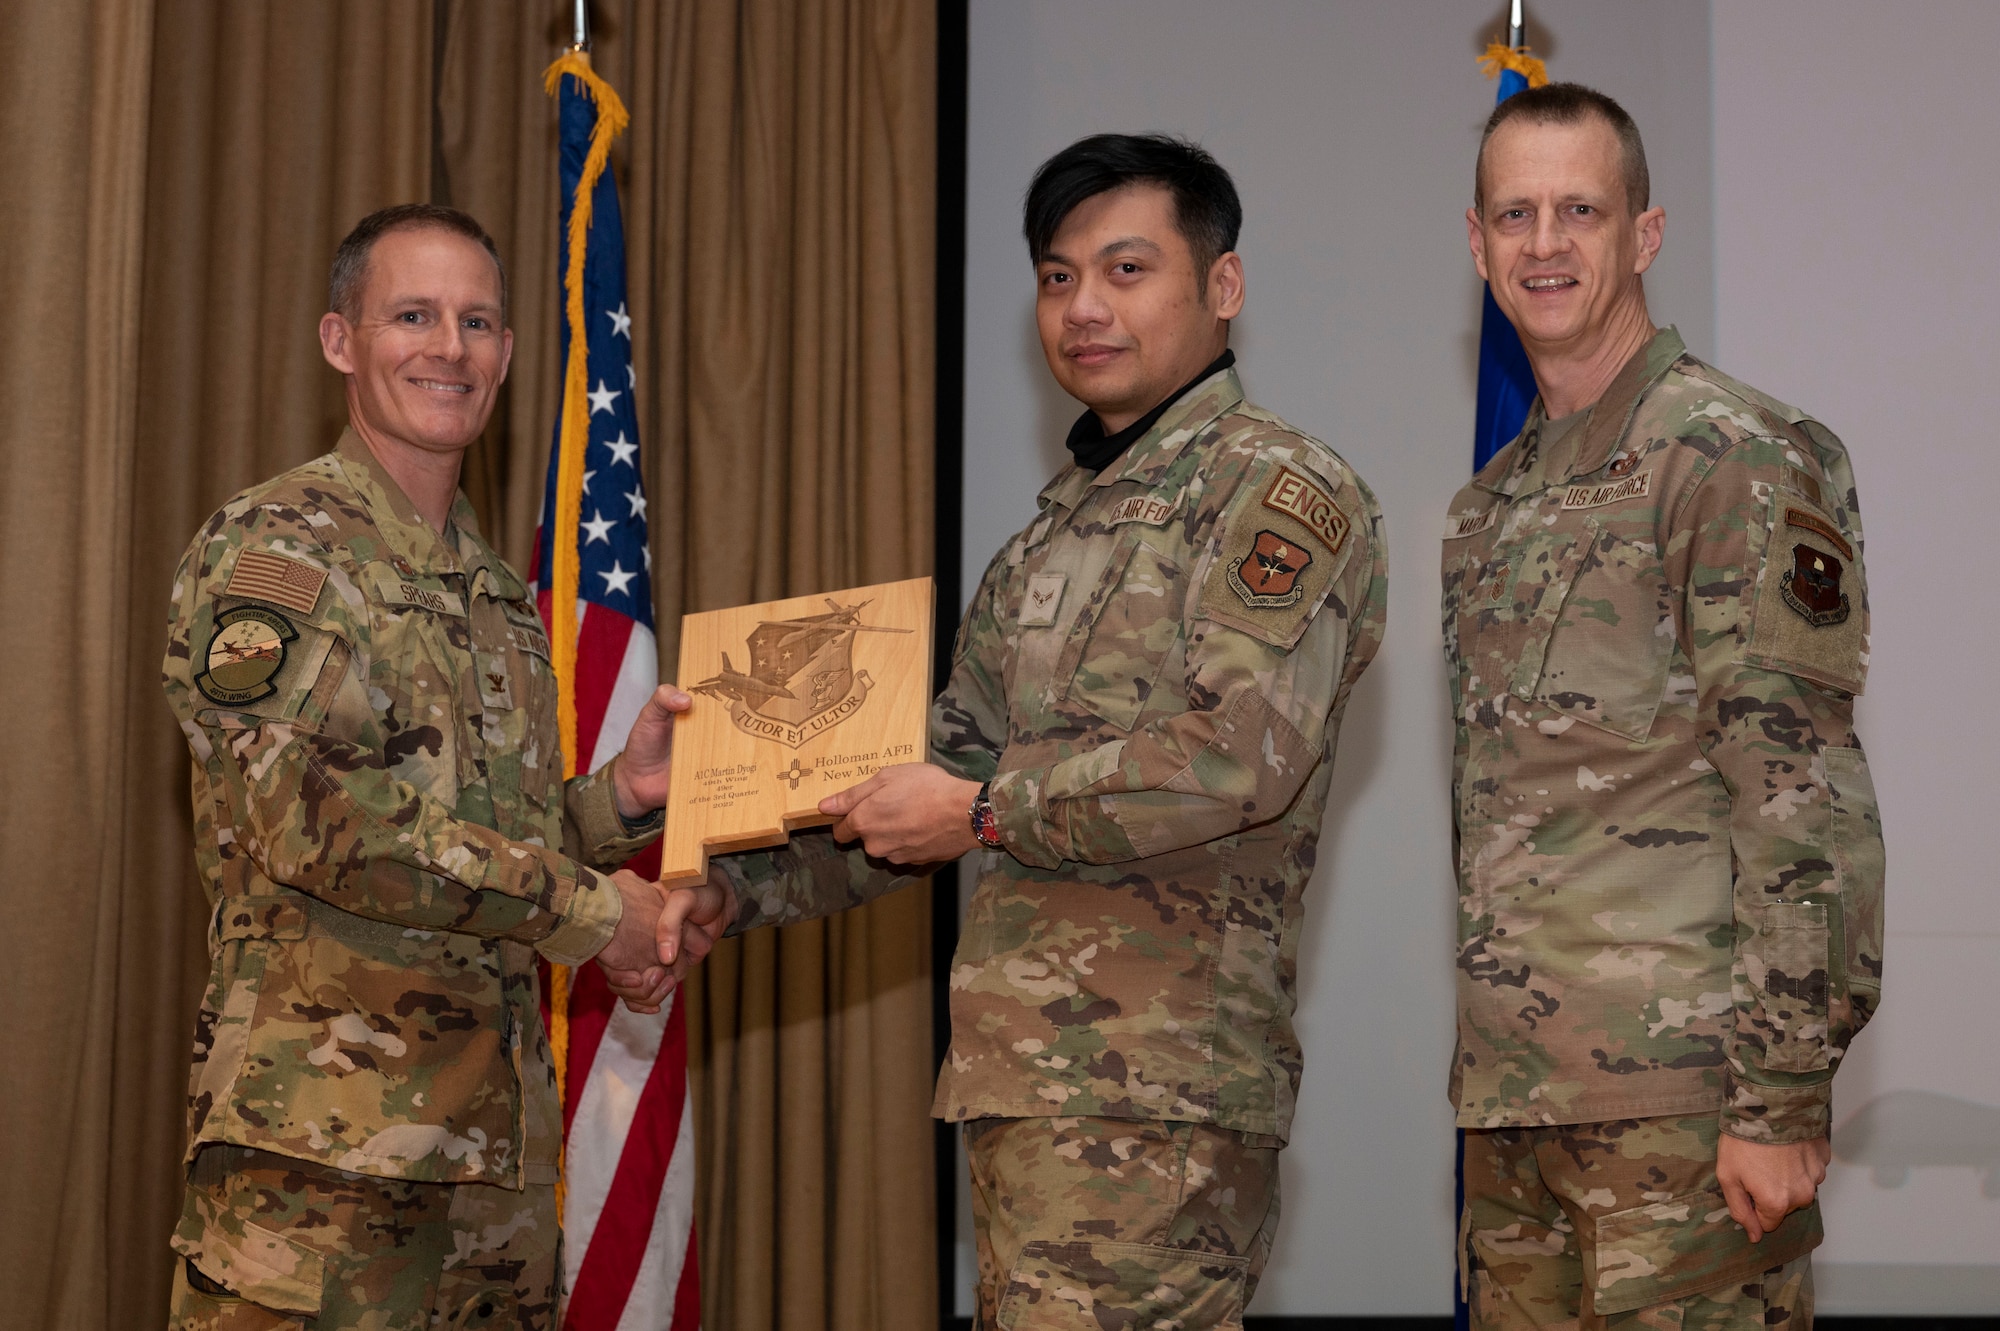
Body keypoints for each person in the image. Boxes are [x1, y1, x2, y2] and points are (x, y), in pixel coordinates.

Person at [630, 132, 1387, 1326]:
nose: (1083, 306)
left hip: (1156, 1095)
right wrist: (741, 887)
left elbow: (1238, 757)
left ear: (1221, 287)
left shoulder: (1274, 492)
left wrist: (981, 811)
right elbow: (922, 780)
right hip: (1024, 1090)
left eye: (1126, 269)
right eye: (1054, 275)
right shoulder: (1044, 541)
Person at [162, 204, 694, 1330]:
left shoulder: (498, 595)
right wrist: (594, 910)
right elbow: (321, 820)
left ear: (506, 355)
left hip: (491, 1182)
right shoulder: (278, 552)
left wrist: (614, 804)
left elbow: (483, 832)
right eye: (413, 315)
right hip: (325, 1179)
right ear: (339, 340)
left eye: (479, 322)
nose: (450, 348)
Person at [1444, 84, 1884, 1329]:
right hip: (1517, 1111)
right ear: (1474, 245)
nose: (1543, 244)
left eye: (1579, 209)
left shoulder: (1725, 452)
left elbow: (1800, 795)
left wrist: (1780, 1099)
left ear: (1642, 232)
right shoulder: (1489, 508)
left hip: (1689, 1115)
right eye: (1513, 214)